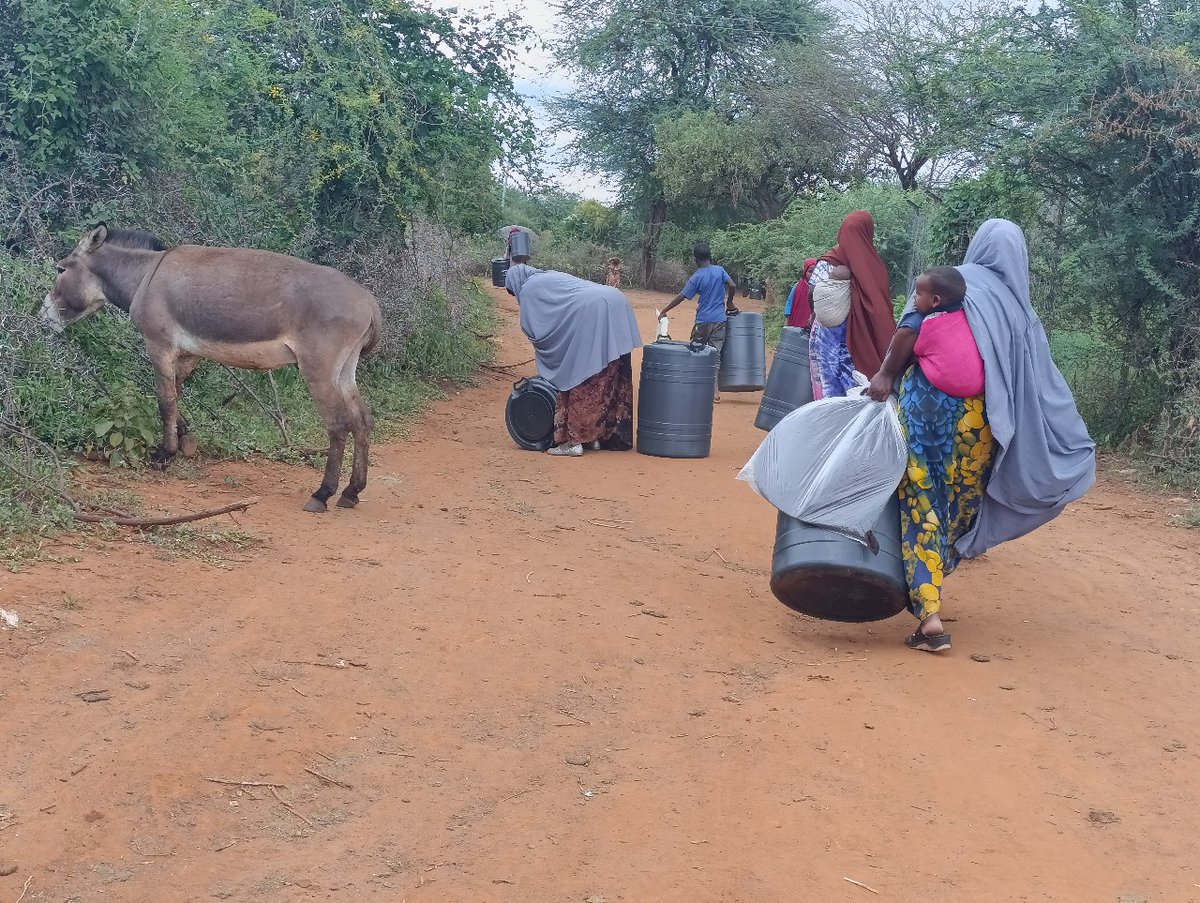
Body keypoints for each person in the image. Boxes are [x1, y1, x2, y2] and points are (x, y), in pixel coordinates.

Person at [867, 220, 1095, 653]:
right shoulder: (1019, 310)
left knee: (921, 498)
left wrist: (885, 375)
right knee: (957, 505)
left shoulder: (950, 282)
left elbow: (908, 330)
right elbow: (1038, 384)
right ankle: (927, 586)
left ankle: (929, 613)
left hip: (927, 413)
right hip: (980, 426)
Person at [504, 263, 642, 457]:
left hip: (594, 312)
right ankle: (596, 437)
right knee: (607, 373)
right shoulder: (547, 275)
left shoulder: (527, 288)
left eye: (512, 292)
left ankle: (574, 442)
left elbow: (534, 328)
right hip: (615, 301)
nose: (516, 297)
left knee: (578, 375)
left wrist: (555, 353)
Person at [807, 211, 896, 399]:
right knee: (855, 381)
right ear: (868, 232)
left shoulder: (829, 259)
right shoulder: (874, 263)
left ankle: (828, 413)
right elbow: (880, 303)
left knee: (828, 380)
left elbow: (812, 290)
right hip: (861, 335)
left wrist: (814, 312)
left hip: (827, 333)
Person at [655, 242, 739, 401]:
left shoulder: (696, 277)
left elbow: (681, 297)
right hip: (720, 321)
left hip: (703, 322)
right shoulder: (719, 270)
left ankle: (693, 386)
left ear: (695, 260)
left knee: (696, 351)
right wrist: (730, 302)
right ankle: (714, 391)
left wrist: (665, 311)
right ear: (710, 257)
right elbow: (732, 285)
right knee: (715, 355)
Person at [783, 258, 817, 329]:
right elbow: (790, 301)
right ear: (805, 272)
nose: (813, 274)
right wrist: (787, 317)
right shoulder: (798, 286)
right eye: (810, 271)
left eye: (815, 271)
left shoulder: (821, 287)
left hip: (813, 323)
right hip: (797, 320)